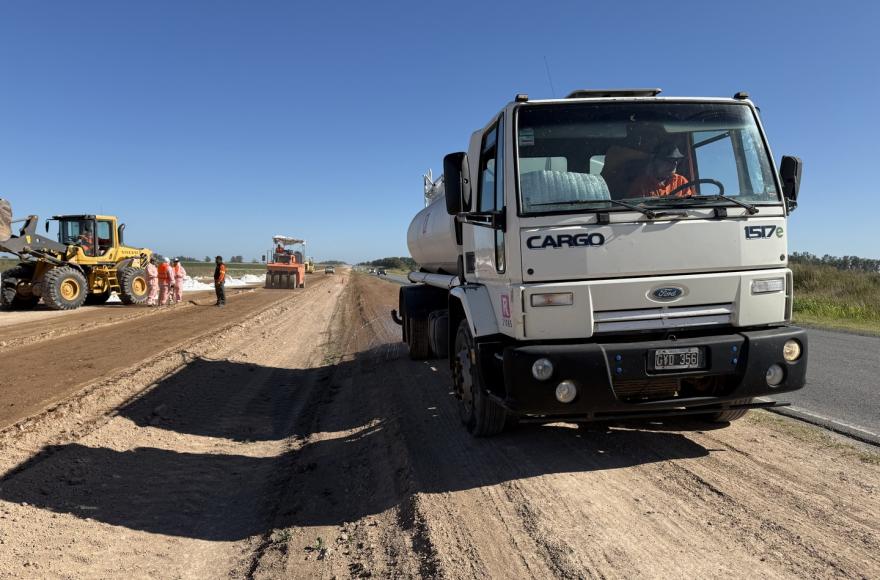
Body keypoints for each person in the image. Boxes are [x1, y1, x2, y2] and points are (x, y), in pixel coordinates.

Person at [627, 143, 695, 198]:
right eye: (668, 160)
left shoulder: (681, 181)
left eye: (676, 160)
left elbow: (688, 204)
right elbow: (634, 208)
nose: (674, 164)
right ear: (655, 161)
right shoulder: (641, 184)